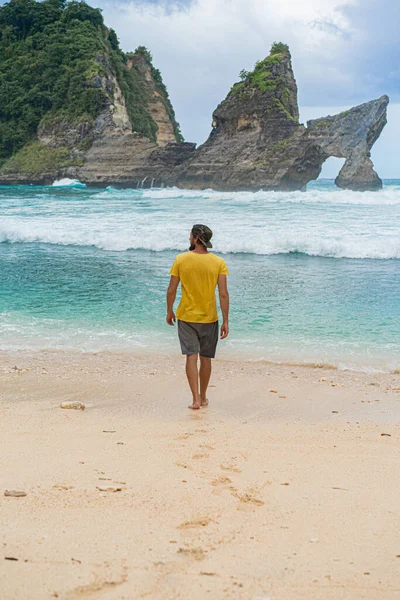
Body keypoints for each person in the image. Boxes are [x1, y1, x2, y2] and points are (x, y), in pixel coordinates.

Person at [166, 224, 230, 410]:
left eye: (190, 236)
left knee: (191, 357)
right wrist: (225, 320)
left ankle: (195, 400)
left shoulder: (180, 259)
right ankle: (203, 397)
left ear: (195, 238)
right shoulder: (219, 262)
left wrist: (169, 310)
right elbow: (223, 294)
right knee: (206, 358)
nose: (188, 239)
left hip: (186, 316)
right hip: (209, 317)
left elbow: (171, 290)